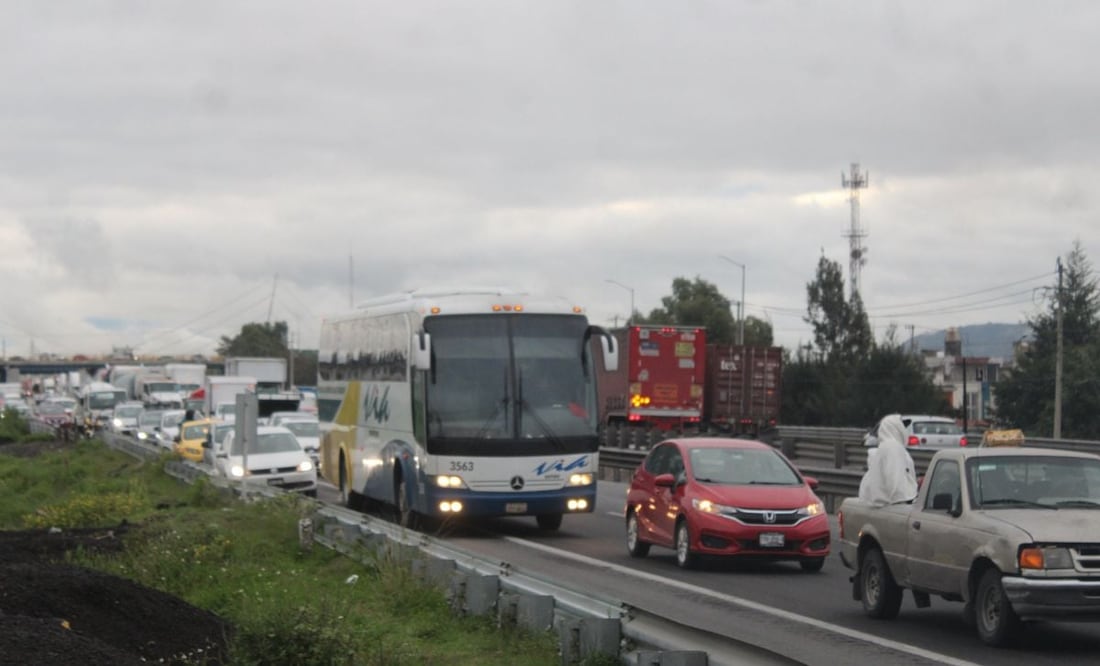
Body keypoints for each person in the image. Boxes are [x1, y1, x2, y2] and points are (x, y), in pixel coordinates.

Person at [858, 414, 919, 506]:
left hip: (883, 505)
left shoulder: (885, 447)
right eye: (902, 425)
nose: (904, 429)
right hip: (895, 506)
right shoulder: (893, 447)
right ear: (895, 428)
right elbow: (895, 480)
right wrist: (905, 500)